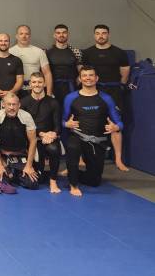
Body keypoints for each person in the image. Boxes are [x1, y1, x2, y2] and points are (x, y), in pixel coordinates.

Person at [63, 66, 123, 197]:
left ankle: (73, 172)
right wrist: (66, 124)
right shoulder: (71, 97)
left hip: (97, 141)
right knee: (73, 146)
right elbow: (62, 121)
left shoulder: (106, 98)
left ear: (96, 78)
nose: (88, 78)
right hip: (77, 137)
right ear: (80, 79)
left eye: (91, 75)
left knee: (94, 181)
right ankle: (73, 185)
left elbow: (119, 123)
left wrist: (115, 127)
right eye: (84, 75)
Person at [81, 24, 130, 172]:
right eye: (98, 33)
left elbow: (125, 73)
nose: (101, 36)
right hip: (94, 91)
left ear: (108, 34)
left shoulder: (119, 52)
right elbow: (83, 74)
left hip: (113, 91)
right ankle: (82, 159)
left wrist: (119, 87)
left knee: (115, 124)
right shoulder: (87, 53)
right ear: (94, 35)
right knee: (86, 124)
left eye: (104, 33)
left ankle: (118, 160)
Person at [0, 93, 40, 191]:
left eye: (14, 104)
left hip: (21, 154)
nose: (12, 107)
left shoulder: (26, 116)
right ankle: (10, 173)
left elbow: (33, 141)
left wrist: (29, 165)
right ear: (3, 104)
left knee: (32, 183)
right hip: (3, 155)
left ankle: (15, 173)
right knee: (2, 179)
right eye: (9, 104)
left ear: (19, 105)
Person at [21, 72, 62, 193]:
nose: (37, 84)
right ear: (30, 84)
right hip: (31, 139)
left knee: (54, 149)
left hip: (49, 138)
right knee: (37, 179)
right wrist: (41, 134)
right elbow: (23, 126)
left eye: (40, 82)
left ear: (44, 84)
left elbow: (58, 125)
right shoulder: (23, 102)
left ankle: (53, 181)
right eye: (34, 82)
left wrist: (53, 134)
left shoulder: (53, 102)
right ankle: (41, 171)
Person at [9, 25, 53, 97]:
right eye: (21, 34)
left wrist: (49, 93)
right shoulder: (10, 52)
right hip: (15, 90)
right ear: (16, 36)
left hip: (35, 89)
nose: (24, 36)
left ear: (30, 36)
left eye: (27, 34)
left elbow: (47, 73)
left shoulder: (39, 51)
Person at [46, 24, 82, 107]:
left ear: (68, 34)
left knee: (71, 110)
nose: (61, 35)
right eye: (58, 33)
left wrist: (79, 79)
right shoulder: (47, 53)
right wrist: (48, 91)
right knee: (55, 110)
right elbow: (45, 72)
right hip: (54, 88)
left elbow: (81, 70)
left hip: (71, 87)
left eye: (64, 32)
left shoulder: (76, 52)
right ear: (54, 35)